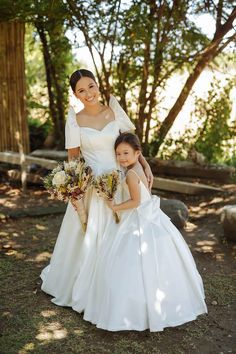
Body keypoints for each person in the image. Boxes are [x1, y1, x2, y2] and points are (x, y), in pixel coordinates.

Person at [40, 69, 153, 308]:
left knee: (126, 232)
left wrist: (144, 164)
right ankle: (91, 286)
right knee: (91, 235)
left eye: (91, 86)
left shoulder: (114, 110)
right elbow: (73, 160)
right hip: (92, 185)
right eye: (81, 90)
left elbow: (130, 143)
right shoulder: (75, 120)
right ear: (75, 94)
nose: (88, 93)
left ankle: (125, 285)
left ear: (97, 85)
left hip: (120, 179)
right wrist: (74, 190)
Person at [74, 132, 207, 332]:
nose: (122, 158)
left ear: (138, 153)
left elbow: (135, 202)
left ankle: (132, 310)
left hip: (138, 218)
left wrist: (114, 206)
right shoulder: (138, 168)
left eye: (126, 153)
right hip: (150, 215)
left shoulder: (130, 174)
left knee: (126, 261)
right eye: (118, 154)